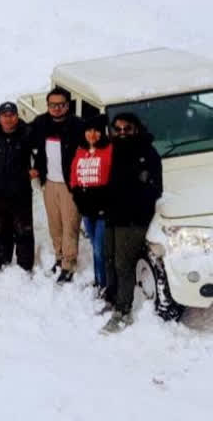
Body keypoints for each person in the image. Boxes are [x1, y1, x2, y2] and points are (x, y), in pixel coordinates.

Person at [100, 113, 162, 334]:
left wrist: (135, 198)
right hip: (112, 215)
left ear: (136, 129)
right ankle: (113, 297)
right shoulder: (110, 150)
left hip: (134, 219)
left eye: (127, 128)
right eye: (118, 128)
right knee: (108, 258)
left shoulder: (148, 153)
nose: (123, 132)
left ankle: (123, 310)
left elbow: (155, 190)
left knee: (123, 264)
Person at [31, 87, 84, 283]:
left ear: (67, 106)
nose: (56, 109)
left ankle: (69, 264)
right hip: (50, 183)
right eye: (52, 105)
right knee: (55, 226)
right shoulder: (41, 122)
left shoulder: (78, 125)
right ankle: (59, 258)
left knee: (70, 224)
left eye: (60, 105)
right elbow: (24, 133)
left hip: (70, 184)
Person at [0, 103, 36, 273]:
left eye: (12, 115)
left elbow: (40, 152)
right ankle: (2, 261)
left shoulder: (27, 133)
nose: (8, 119)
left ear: (17, 116)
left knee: (23, 229)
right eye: (5, 116)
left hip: (21, 191)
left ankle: (25, 265)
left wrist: (36, 167)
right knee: (0, 228)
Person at [69, 115, 112, 297]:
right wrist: (77, 196)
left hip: (104, 210)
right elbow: (73, 176)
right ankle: (98, 280)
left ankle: (105, 284)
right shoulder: (80, 150)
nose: (92, 134)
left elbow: (114, 178)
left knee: (100, 249)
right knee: (95, 247)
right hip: (87, 210)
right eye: (88, 130)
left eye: (96, 130)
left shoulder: (110, 150)